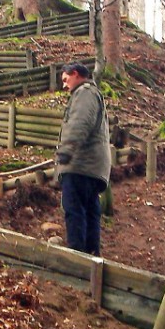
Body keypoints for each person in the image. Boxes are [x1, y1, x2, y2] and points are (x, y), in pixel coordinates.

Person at [56, 62, 111, 256]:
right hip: (92, 167)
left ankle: (77, 256)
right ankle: (92, 255)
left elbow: (80, 122)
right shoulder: (92, 94)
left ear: (76, 74)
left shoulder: (85, 93)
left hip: (80, 164)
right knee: (89, 211)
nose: (64, 85)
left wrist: (66, 150)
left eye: (65, 79)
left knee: (74, 209)